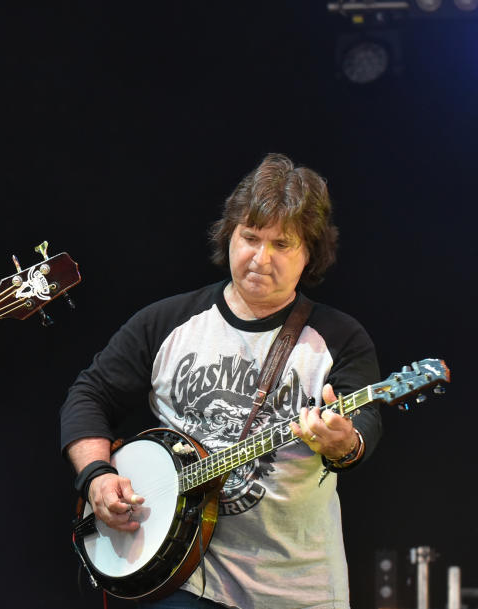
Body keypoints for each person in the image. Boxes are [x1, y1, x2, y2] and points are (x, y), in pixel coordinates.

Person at [60, 153, 382, 609]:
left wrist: (344, 443)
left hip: (297, 589)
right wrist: (97, 476)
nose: (260, 257)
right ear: (229, 235)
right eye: (250, 237)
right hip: (180, 578)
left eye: (282, 244)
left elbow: (363, 423)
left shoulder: (339, 337)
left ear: (310, 252)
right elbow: (88, 396)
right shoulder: (168, 322)